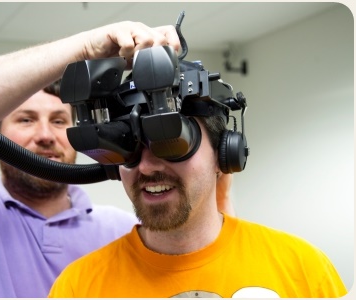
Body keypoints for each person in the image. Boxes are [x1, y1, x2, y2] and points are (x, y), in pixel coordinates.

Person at [0, 21, 235, 298]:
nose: (46, 134)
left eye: (60, 121)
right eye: (25, 119)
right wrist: (85, 49)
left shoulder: (121, 228)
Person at [48, 105, 348, 296]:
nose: (147, 166)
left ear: (223, 157)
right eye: (131, 148)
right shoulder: (79, 286)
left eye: (172, 143)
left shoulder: (303, 269)